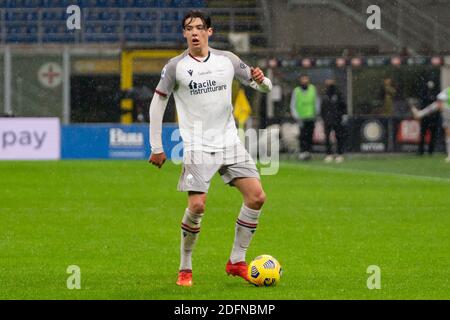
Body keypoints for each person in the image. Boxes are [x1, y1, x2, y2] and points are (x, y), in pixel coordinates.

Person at [148, 10, 273, 287]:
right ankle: (185, 267)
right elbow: (158, 103)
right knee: (197, 205)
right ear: (184, 33)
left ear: (209, 32)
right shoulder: (175, 66)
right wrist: (156, 146)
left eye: (199, 27)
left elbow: (262, 87)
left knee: (257, 197)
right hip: (197, 145)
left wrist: (262, 80)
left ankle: (237, 261)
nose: (194, 32)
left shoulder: (227, 60)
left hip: (229, 142)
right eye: (188, 28)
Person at [412, 87, 450, 162]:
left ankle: (420, 114)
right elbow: (439, 98)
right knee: (448, 135)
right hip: (448, 115)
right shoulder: (448, 91)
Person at [290, 75, 320, 160]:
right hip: (301, 118)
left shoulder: (313, 89)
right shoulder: (296, 91)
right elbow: (293, 105)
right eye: (303, 79)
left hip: (311, 117)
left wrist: (316, 114)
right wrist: (296, 116)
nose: (304, 81)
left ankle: (309, 151)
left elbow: (316, 102)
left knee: (310, 135)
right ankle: (303, 152)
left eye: (306, 79)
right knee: (302, 135)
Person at [320, 78, 347, 163]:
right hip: (327, 119)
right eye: (327, 80)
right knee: (327, 138)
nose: (328, 82)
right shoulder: (325, 94)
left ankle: (339, 154)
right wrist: (322, 117)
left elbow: (343, 106)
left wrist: (343, 115)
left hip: (337, 119)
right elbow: (322, 107)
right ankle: (329, 154)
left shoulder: (338, 93)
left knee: (339, 136)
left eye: (330, 80)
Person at [417, 80, 441, 155]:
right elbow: (423, 101)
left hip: (433, 118)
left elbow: (438, 104)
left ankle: (430, 151)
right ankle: (421, 151)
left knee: (432, 135)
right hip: (426, 118)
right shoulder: (424, 93)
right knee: (423, 135)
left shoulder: (437, 93)